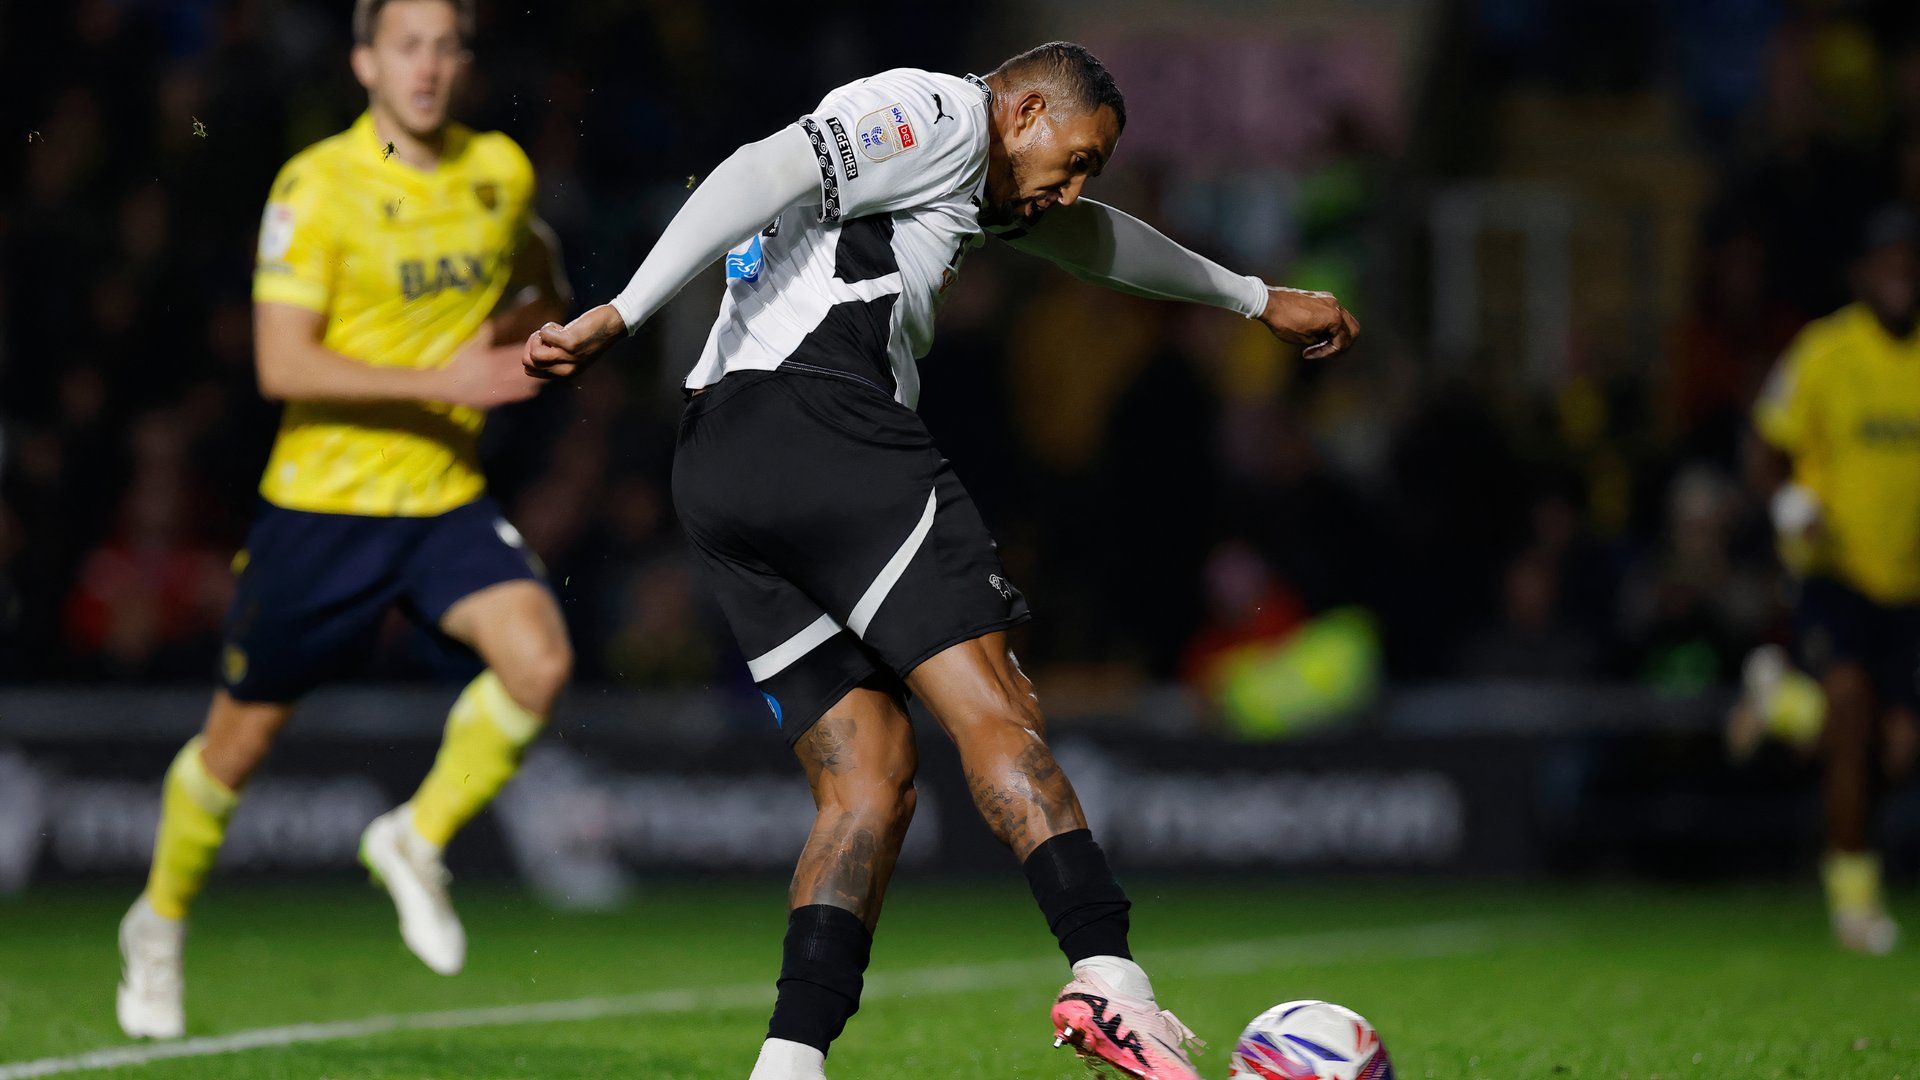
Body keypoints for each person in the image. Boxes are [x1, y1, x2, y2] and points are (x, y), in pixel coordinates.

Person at [527, 42, 1357, 1080]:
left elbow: (1092, 243)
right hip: (825, 421)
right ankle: (1108, 977)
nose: (1076, 185)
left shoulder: (979, 180)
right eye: (1078, 154)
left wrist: (1248, 296)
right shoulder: (942, 115)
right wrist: (623, 310)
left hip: (722, 463)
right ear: (1026, 112)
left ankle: (789, 1063)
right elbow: (758, 168)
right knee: (996, 707)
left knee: (867, 782)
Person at [116, 0, 573, 1039]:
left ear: (463, 62)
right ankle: (158, 920)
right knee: (233, 752)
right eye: (406, 45)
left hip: (443, 497)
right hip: (322, 510)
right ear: (365, 62)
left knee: (538, 663)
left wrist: (545, 334)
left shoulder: (498, 168)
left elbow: (536, 269)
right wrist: (445, 374)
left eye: (446, 45)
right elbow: (283, 362)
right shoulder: (315, 185)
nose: (427, 65)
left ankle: (415, 835)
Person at [1752, 204, 1920, 955]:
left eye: (1908, 261)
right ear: (1861, 273)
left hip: (1908, 586)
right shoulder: (1823, 353)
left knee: (1893, 748)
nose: (1899, 275)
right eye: (1886, 261)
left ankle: (1783, 704)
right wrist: (1791, 505)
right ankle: (1855, 898)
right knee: (1851, 709)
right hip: (1835, 574)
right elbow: (1766, 444)